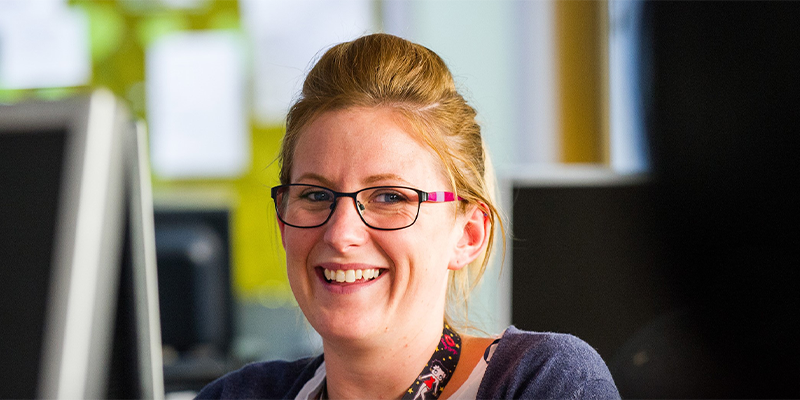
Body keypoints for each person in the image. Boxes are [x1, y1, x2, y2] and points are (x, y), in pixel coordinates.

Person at [197, 33, 619, 399]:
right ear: (284, 222)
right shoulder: (240, 394)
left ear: (467, 235)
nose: (341, 233)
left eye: (389, 196)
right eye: (315, 194)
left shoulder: (541, 381)